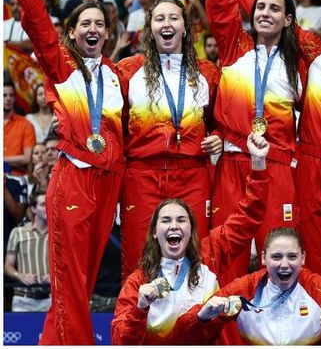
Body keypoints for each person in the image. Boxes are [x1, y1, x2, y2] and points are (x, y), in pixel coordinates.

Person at [3, 0, 125, 344]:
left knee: (83, 280)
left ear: (107, 33)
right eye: (84, 23)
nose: (92, 28)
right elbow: (37, 18)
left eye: (99, 23)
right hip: (74, 178)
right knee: (70, 278)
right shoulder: (62, 67)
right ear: (72, 33)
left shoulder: (120, 76)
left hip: (109, 181)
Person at [202, 0, 306, 284]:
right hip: (232, 163)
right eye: (260, 6)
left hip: (277, 167)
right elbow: (218, 4)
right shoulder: (235, 48)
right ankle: (224, 320)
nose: (264, 13)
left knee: (279, 256)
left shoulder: (300, 64)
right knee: (226, 255)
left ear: (288, 20)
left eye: (274, 8)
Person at [110, 132, 272, 344]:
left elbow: (248, 216)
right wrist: (140, 309)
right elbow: (120, 341)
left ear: (192, 229)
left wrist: (258, 163)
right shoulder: (138, 281)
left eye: (181, 220)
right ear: (154, 232)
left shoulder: (210, 254)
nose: (174, 225)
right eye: (166, 220)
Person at [115, 0, 220, 279]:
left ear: (185, 27)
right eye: (159, 19)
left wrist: (218, 136)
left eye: (174, 18)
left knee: (197, 252)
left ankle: (193, 309)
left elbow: (221, 121)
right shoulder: (128, 71)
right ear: (149, 29)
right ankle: (134, 309)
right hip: (142, 175)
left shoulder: (207, 72)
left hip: (192, 174)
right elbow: (114, 124)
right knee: (139, 255)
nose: (167, 24)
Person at [188, 228, 321, 344]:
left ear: (303, 258)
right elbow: (190, 339)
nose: (284, 264)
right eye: (276, 257)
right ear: (263, 258)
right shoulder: (244, 289)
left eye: (292, 256)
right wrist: (201, 318)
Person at [4, 191, 50, 312]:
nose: (48, 207)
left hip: (51, 299)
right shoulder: (18, 233)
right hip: (23, 300)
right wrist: (20, 275)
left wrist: (55, 277)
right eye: (43, 204)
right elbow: (7, 266)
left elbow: (68, 266)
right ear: (33, 209)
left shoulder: (59, 234)